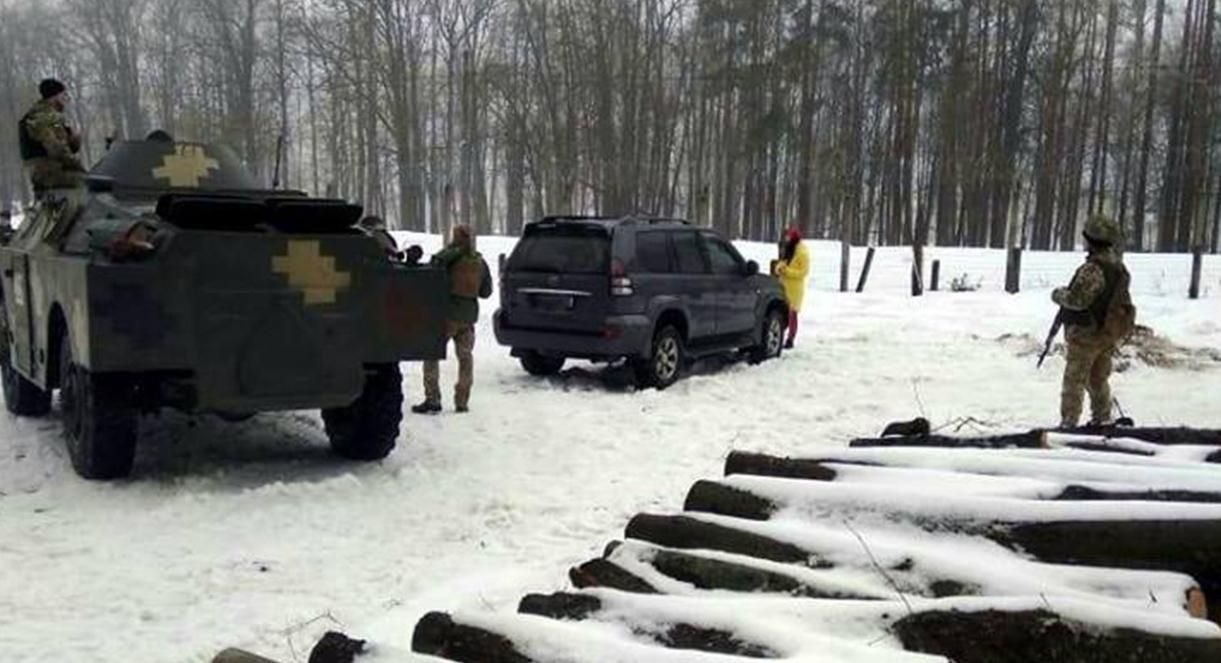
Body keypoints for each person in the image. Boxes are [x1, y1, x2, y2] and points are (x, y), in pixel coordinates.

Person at [1052, 215, 1136, 428]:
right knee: (1098, 378)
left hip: (1087, 333)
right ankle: (1102, 418)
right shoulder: (1117, 266)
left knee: (1075, 380)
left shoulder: (1093, 268)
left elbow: (1078, 301)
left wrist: (1058, 295)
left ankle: (1068, 423)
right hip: (1106, 333)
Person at [412, 224, 492, 414]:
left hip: (445, 315)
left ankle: (432, 399)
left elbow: (431, 273)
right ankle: (462, 401)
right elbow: (486, 292)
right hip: (468, 318)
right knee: (466, 359)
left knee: (431, 355)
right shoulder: (480, 261)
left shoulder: (446, 257)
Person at [19, 78, 85, 194]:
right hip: (50, 172)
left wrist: (74, 139)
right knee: (91, 183)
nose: (66, 99)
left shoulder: (39, 115)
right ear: (55, 96)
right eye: (63, 95)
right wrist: (80, 168)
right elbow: (58, 150)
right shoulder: (46, 118)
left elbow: (65, 147)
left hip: (46, 173)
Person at [773, 227, 809, 349]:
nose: (787, 239)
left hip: (795, 289)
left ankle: (790, 339)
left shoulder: (802, 253)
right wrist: (779, 268)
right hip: (784, 285)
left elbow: (803, 272)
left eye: (789, 237)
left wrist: (787, 271)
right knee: (782, 313)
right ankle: (781, 335)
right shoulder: (789, 250)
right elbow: (783, 262)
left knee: (792, 314)